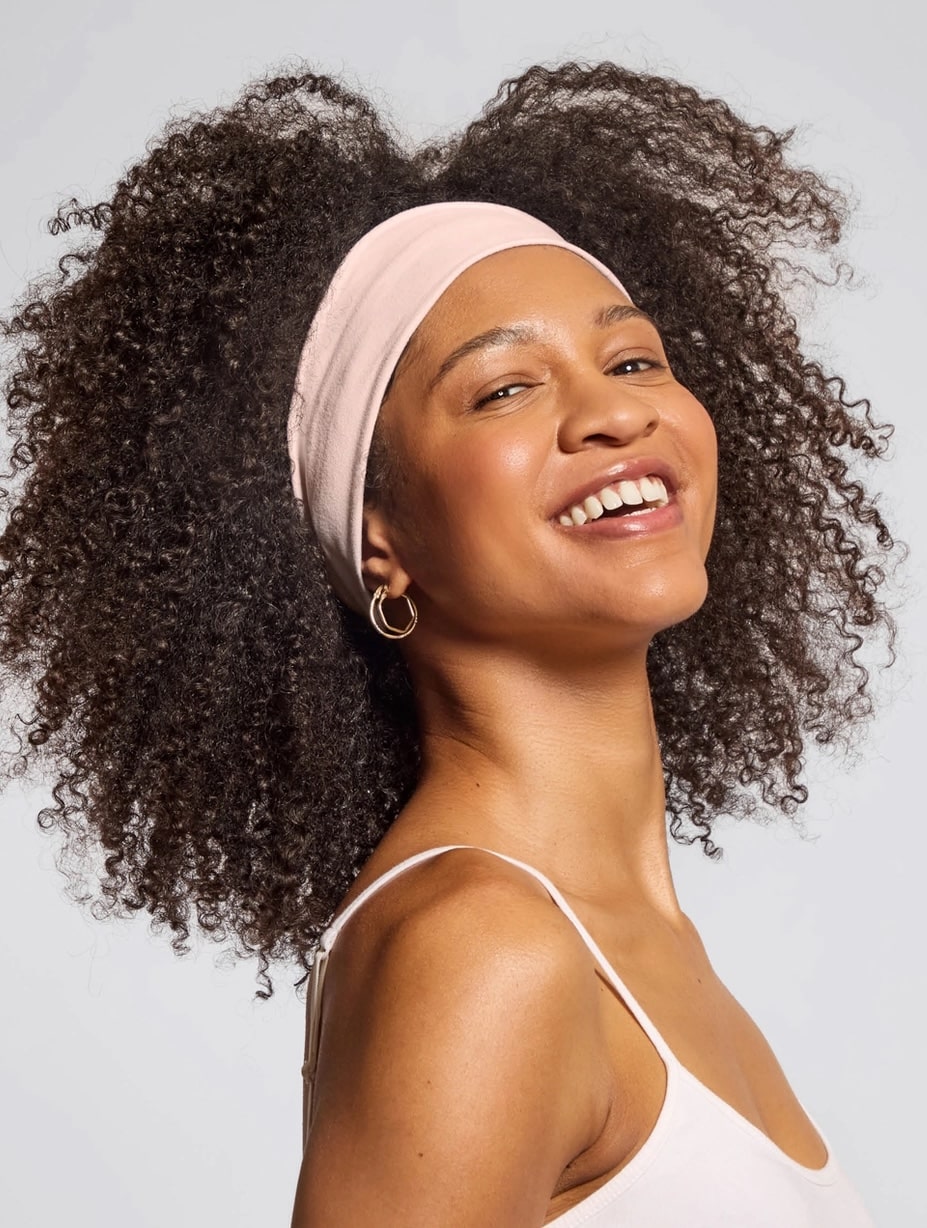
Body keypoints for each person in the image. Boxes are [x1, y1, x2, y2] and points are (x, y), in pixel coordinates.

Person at [0, 61, 894, 1225]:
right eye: (504, 390)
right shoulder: (481, 949)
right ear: (382, 542)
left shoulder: (638, 945)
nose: (617, 412)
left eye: (633, 361)